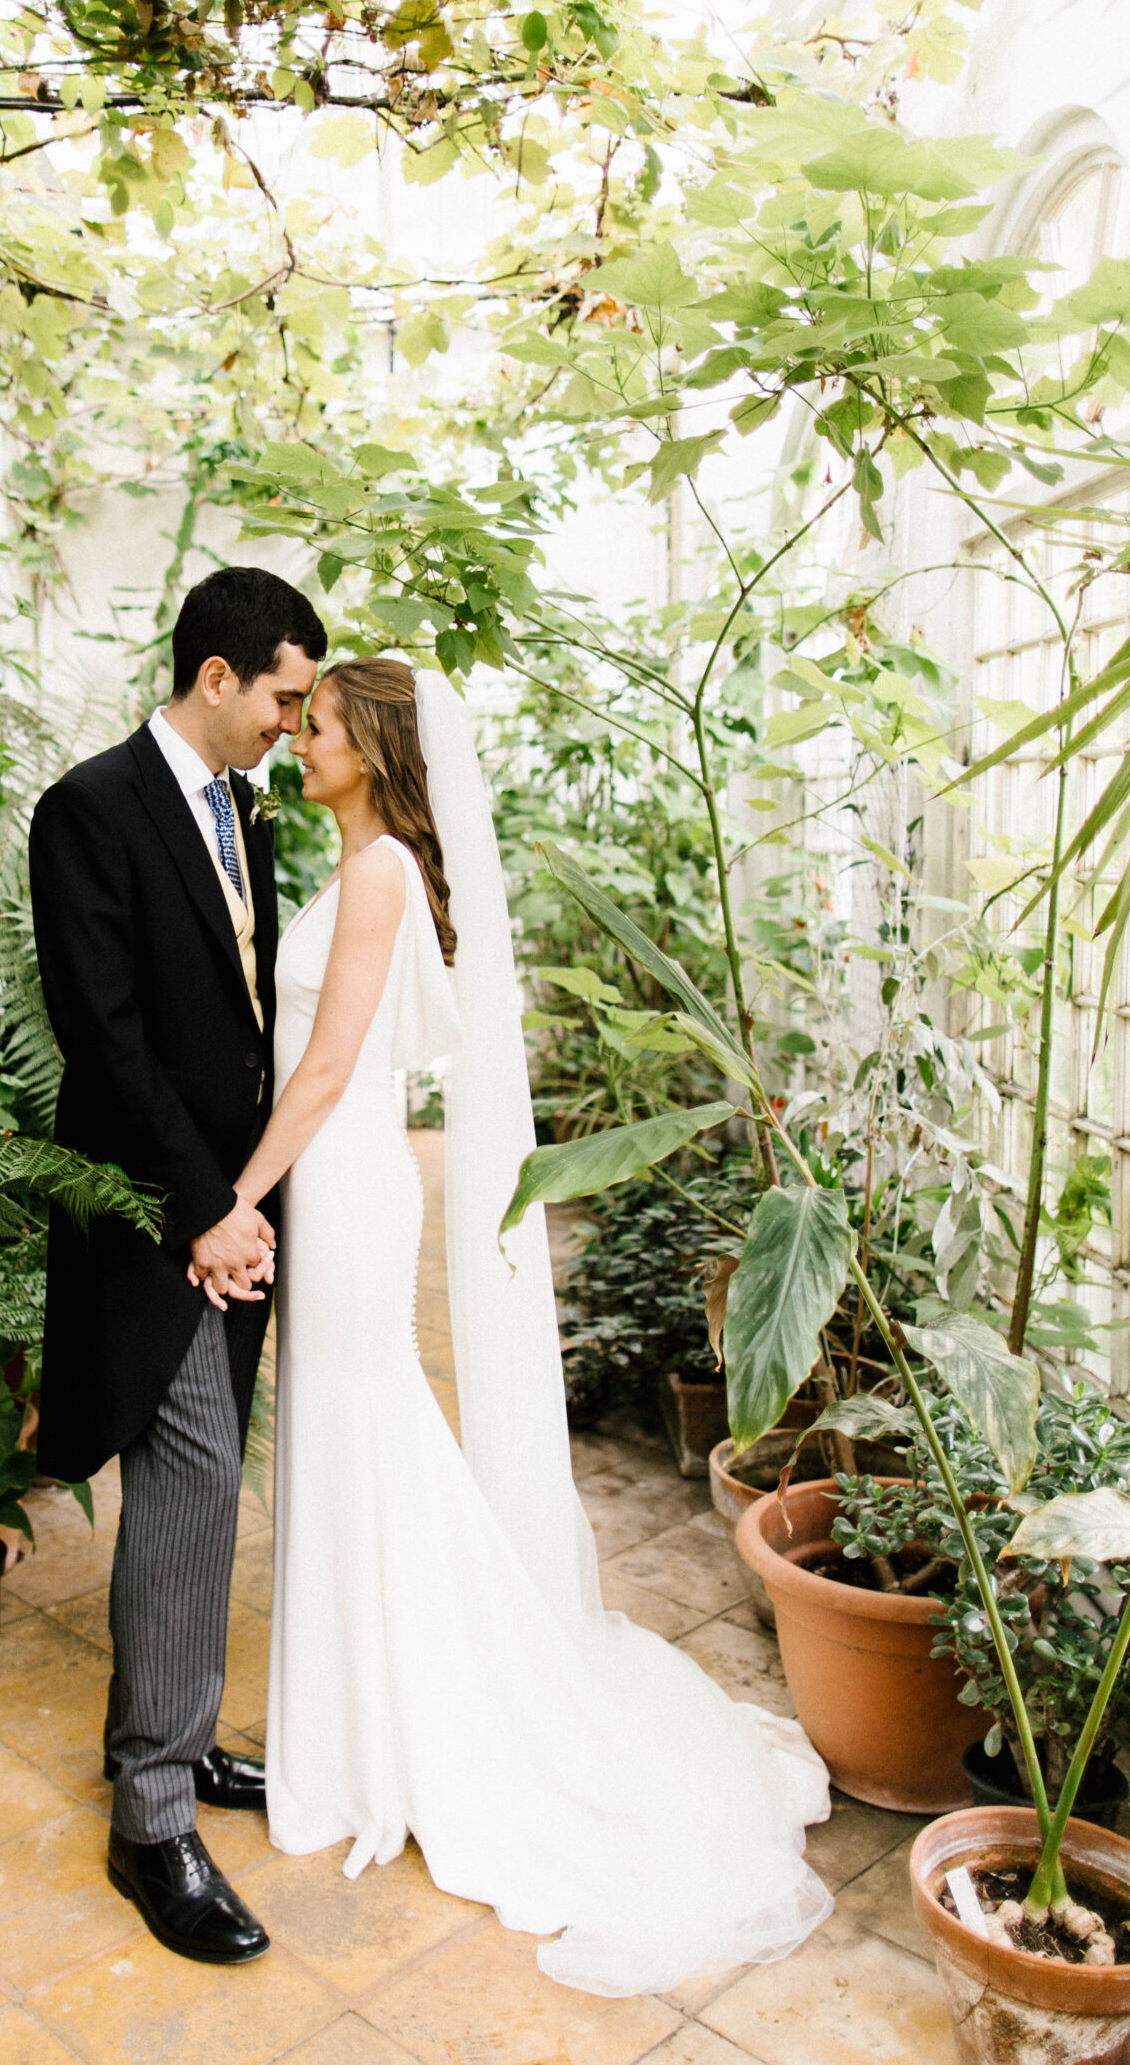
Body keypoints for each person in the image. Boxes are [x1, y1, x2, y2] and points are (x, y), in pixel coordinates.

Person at [230, 657, 834, 1997]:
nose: (297, 737)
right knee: (348, 1439)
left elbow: (330, 1067)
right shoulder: (363, 864)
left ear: (374, 748)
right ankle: (357, 1727)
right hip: (334, 1178)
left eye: (316, 724)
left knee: (363, 1432)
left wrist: (237, 1198)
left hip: (342, 1175)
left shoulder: (382, 871)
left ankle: (400, 1730)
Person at [28, 566, 325, 1966]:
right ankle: (151, 1820)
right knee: (197, 1472)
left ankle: (174, 1741)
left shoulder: (244, 811)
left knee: (197, 1486)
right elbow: (108, 1037)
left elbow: (246, 1019)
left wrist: (258, 1195)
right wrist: (208, 1207)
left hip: (236, 1212)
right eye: (283, 697)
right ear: (218, 678)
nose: (292, 723)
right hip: (156, 1218)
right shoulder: (88, 811)